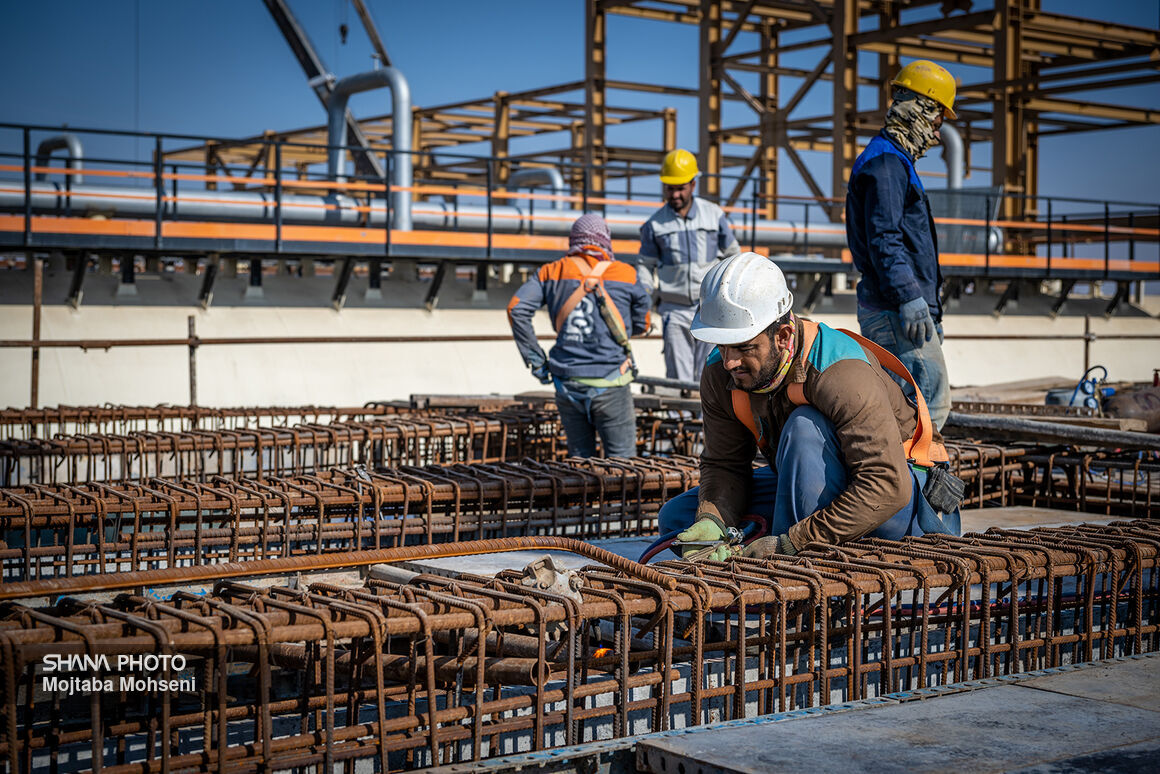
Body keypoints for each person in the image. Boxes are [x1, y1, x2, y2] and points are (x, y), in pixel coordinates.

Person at [657, 251, 961, 560]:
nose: (730, 362)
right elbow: (725, 464)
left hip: (899, 500)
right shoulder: (721, 373)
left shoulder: (841, 372)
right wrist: (713, 521)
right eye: (722, 346)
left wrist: (791, 542)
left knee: (804, 428)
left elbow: (887, 485)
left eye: (744, 347)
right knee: (678, 518)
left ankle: (794, 562)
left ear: (783, 335)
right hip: (819, 484)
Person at [846, 60, 957, 431]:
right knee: (929, 407)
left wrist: (929, 309)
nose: (937, 135)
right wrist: (910, 297)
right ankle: (916, 471)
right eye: (936, 122)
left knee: (902, 411)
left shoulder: (894, 162)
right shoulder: (886, 165)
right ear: (919, 109)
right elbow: (885, 238)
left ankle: (901, 468)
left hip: (895, 308)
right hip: (893, 308)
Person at [508, 213, 651, 458]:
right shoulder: (626, 274)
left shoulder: (550, 272)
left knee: (580, 464)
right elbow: (643, 323)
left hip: (567, 384)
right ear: (605, 240)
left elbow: (516, 309)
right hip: (611, 382)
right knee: (624, 465)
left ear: (573, 240)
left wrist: (537, 361)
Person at [638, 148, 741, 384]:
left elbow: (733, 255)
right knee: (678, 377)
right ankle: (680, 409)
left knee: (711, 373)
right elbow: (645, 265)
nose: (675, 194)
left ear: (693, 185)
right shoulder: (654, 225)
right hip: (674, 310)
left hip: (709, 307)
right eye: (670, 188)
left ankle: (707, 410)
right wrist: (644, 299)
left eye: (680, 188)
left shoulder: (713, 215)